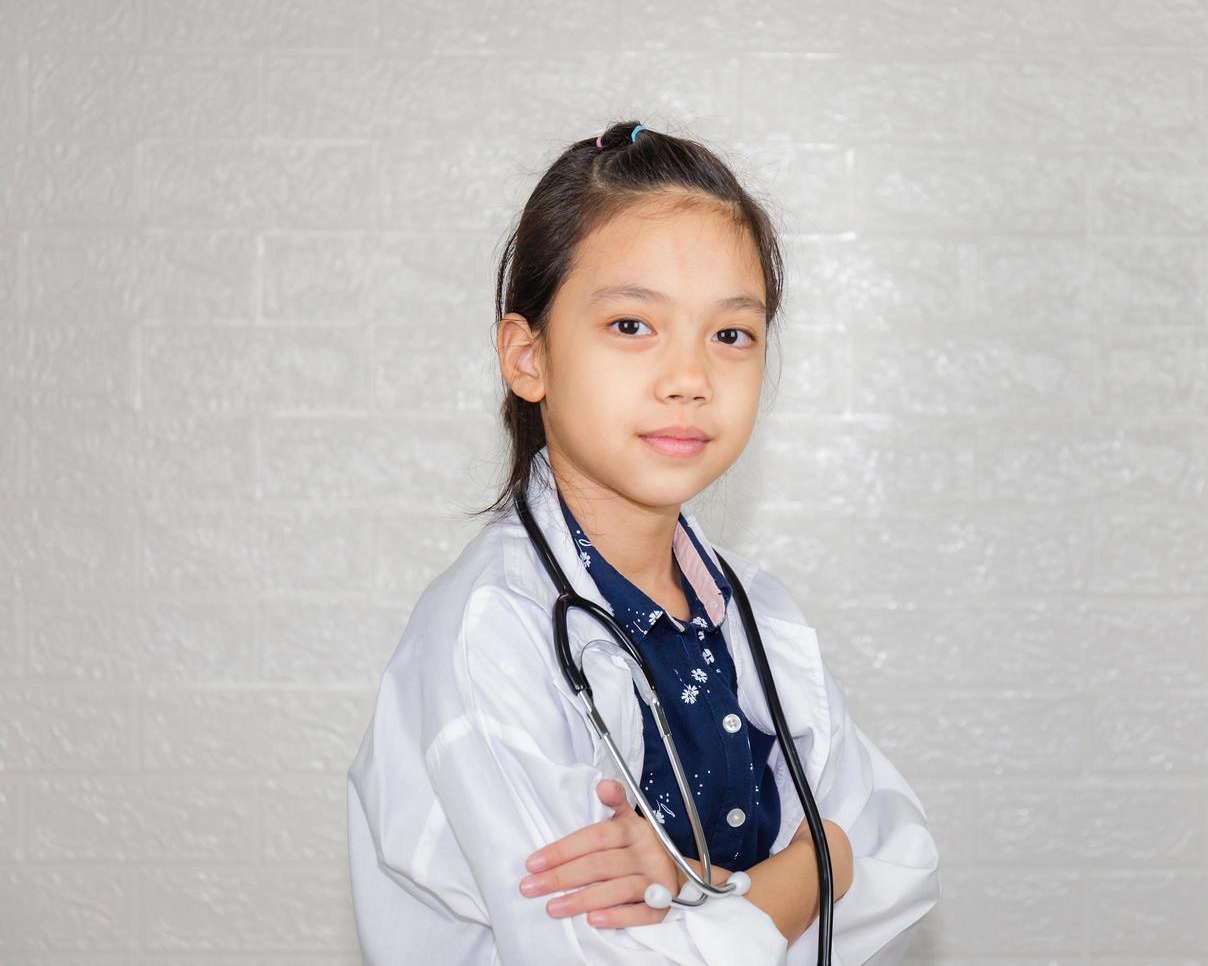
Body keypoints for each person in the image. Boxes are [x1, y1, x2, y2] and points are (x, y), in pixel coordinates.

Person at [346, 120, 942, 965]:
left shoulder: (751, 613)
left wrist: (696, 882)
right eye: (632, 325)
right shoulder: (488, 640)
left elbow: (902, 859)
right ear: (528, 357)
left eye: (731, 334)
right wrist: (816, 867)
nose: (689, 379)